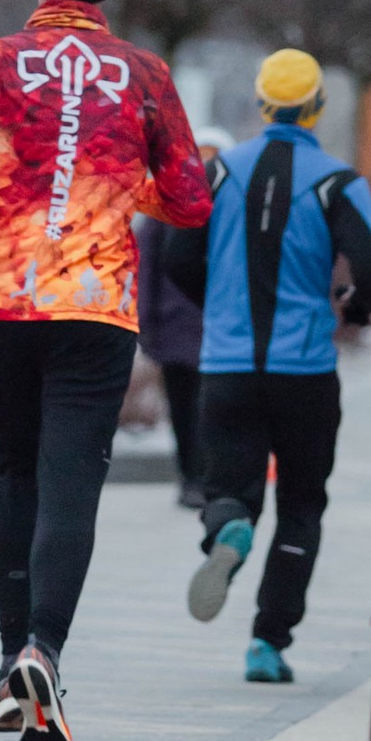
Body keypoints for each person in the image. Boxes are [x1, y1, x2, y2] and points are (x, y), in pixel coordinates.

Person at [0, 0, 209, 741]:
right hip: (95, 301)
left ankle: (13, 655)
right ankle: (45, 650)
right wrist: (118, 188)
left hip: (3, 294)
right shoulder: (145, 74)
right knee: (71, 478)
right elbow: (192, 200)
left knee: (15, 468)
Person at [181, 48, 371, 682]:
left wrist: (214, 304)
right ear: (317, 108)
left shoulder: (218, 174)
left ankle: (231, 528)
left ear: (261, 105)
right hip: (304, 373)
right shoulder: (337, 183)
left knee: (227, 487)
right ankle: (268, 643)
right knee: (302, 503)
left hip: (228, 367)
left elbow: (173, 254)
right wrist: (355, 307)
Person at [134, 133, 220, 510]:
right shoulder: (165, 206)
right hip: (183, 331)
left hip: (205, 330)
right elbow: (146, 267)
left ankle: (198, 479)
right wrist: (146, 322)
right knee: (188, 408)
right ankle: (194, 478)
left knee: (200, 409)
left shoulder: (223, 206)